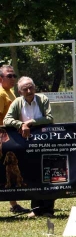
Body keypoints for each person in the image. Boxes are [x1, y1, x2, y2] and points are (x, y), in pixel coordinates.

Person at [4, 76, 55, 217]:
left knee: (47, 175)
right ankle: (36, 209)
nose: (29, 90)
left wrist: (30, 123)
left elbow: (49, 118)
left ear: (35, 88)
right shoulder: (17, 102)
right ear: (20, 92)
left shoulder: (43, 99)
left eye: (31, 87)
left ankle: (48, 210)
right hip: (26, 145)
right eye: (25, 88)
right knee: (32, 175)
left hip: (45, 144)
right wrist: (20, 124)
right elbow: (6, 119)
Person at [0, 65, 29, 214]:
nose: (13, 78)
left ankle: (14, 204)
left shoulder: (9, 92)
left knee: (7, 172)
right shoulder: (0, 94)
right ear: (1, 78)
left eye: (14, 75)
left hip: (9, 139)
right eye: (9, 76)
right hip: (2, 139)